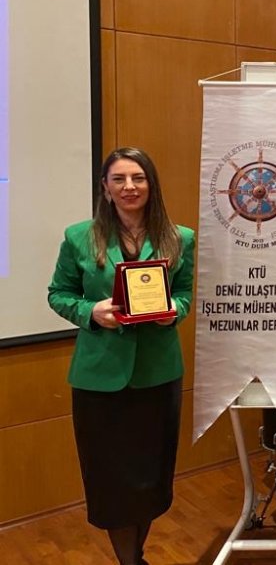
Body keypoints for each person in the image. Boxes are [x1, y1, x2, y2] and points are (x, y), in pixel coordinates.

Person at [47, 147, 196, 565]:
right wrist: (91, 312)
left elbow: (184, 293)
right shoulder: (79, 236)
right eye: (119, 179)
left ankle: (138, 555)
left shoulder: (179, 238)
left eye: (138, 178)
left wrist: (174, 312)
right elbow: (58, 294)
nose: (129, 187)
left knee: (150, 479)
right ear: (105, 187)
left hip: (157, 376)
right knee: (111, 482)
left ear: (151, 185)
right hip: (100, 379)